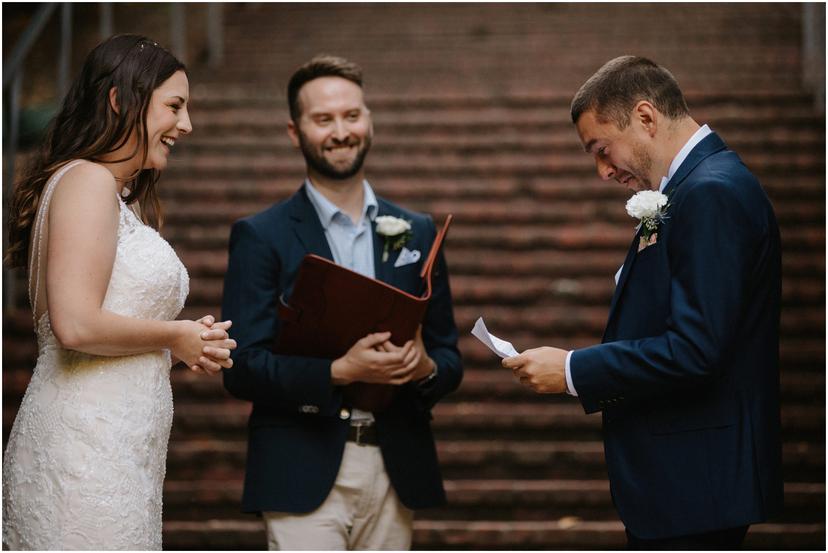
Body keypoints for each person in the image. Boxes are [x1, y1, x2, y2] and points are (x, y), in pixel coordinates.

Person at [503, 56, 783, 549]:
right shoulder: (697, 186)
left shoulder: (710, 192)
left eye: (602, 149)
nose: (603, 172)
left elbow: (697, 349)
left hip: (698, 484)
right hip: (690, 485)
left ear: (646, 117)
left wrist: (573, 370)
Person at [2, 34, 236, 550]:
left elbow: (105, 327)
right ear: (118, 100)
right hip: (85, 455)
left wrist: (182, 341)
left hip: (120, 453)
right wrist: (173, 334)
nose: (187, 125)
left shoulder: (108, 194)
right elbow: (76, 325)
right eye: (174, 106)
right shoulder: (87, 181)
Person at [221, 55, 462, 550]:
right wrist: (339, 371)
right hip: (299, 466)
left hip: (396, 466)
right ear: (295, 131)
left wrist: (421, 367)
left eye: (351, 116)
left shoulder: (416, 230)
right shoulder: (260, 236)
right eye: (323, 119)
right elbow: (241, 366)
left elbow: (449, 356)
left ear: (368, 120)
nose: (341, 131)